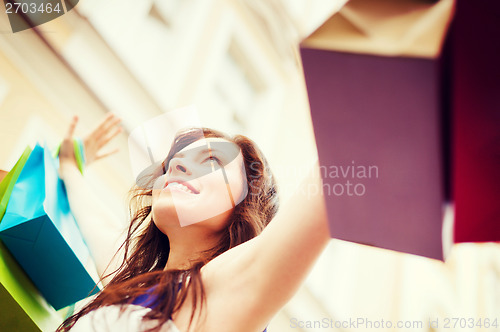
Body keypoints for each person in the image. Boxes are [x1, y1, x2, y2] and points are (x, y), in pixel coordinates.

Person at [56, 113, 330, 332]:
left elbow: (327, 185)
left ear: (246, 203)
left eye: (211, 160)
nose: (176, 166)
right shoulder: (134, 281)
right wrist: (69, 162)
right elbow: (96, 222)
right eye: (174, 162)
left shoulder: (226, 291)